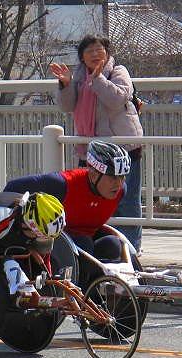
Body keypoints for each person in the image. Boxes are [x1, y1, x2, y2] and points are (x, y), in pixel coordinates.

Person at [50, 34, 143, 253]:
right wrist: (65, 84)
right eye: (89, 50)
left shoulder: (118, 72)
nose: (94, 54)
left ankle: (131, 250)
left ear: (107, 52)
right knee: (93, 199)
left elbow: (117, 99)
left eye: (99, 49)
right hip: (92, 151)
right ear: (82, 57)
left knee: (126, 200)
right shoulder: (79, 78)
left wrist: (98, 79)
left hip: (123, 148)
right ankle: (98, 246)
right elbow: (67, 106)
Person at [4, 140, 131, 262]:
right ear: (93, 174)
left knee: (113, 244)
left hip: (87, 242)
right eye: (113, 177)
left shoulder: (121, 191)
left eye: (122, 177)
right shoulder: (62, 184)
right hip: (55, 241)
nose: (119, 184)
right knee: (84, 242)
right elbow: (12, 187)